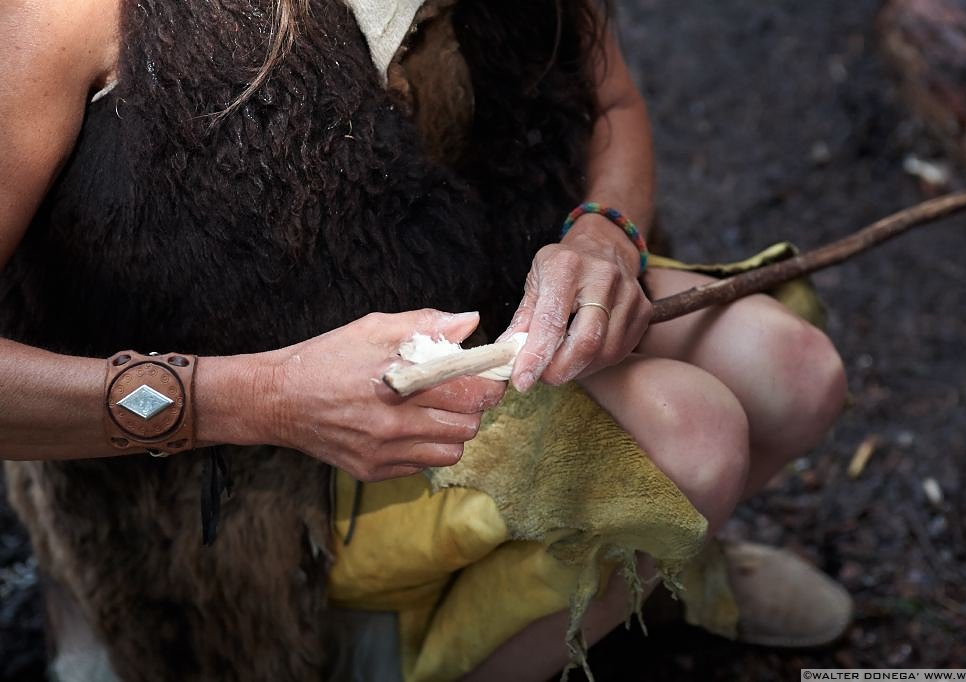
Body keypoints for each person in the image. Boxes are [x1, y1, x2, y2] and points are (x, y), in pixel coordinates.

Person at [0, 0, 850, 679]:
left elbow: (613, 103)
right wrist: (258, 397)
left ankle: (652, 574)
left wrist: (603, 234)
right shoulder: (69, 13)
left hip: (488, 316)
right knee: (690, 436)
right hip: (236, 480)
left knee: (792, 371)